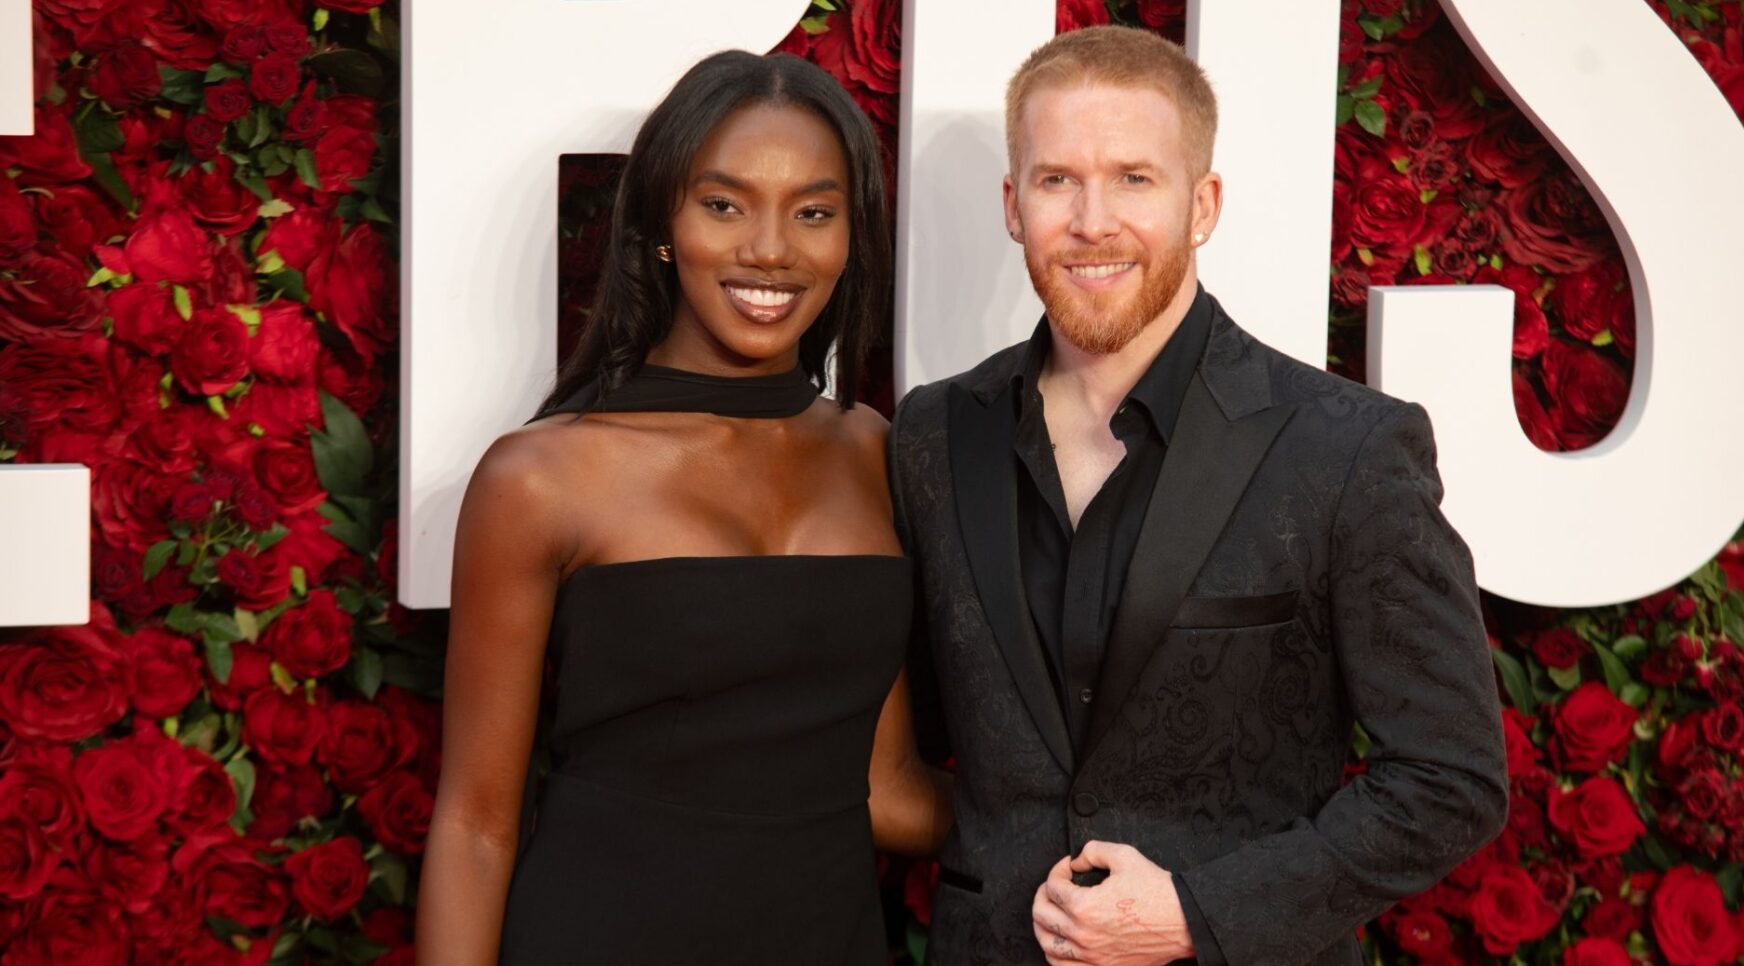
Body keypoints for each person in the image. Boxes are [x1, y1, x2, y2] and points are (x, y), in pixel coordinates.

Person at [888, 26, 1508, 966]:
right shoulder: (933, 435)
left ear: (1203, 203)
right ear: (1013, 205)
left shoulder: (1345, 447)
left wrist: (1195, 912)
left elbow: (1451, 777)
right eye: (1057, 180)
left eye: (1134, 178)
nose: (1093, 221)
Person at [417, 51, 949, 965]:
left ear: (851, 238)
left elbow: (889, 791)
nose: (771, 249)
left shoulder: (875, 452)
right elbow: (475, 825)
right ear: (663, 222)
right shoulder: (539, 478)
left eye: (813, 212)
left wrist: (1125, 822)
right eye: (724, 205)